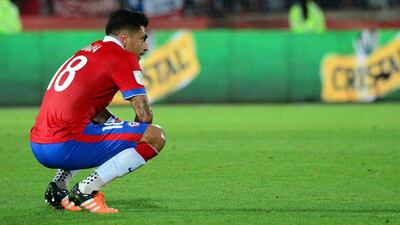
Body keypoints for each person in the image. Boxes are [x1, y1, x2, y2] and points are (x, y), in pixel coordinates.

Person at [30, 9, 166, 214]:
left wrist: (117, 129)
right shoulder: (122, 56)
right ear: (125, 39)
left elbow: (89, 108)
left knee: (100, 125)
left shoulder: (88, 50)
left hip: (38, 144)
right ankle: (87, 190)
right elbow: (145, 117)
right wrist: (126, 142)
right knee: (155, 136)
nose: (146, 46)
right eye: (143, 39)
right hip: (63, 145)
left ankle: (59, 186)